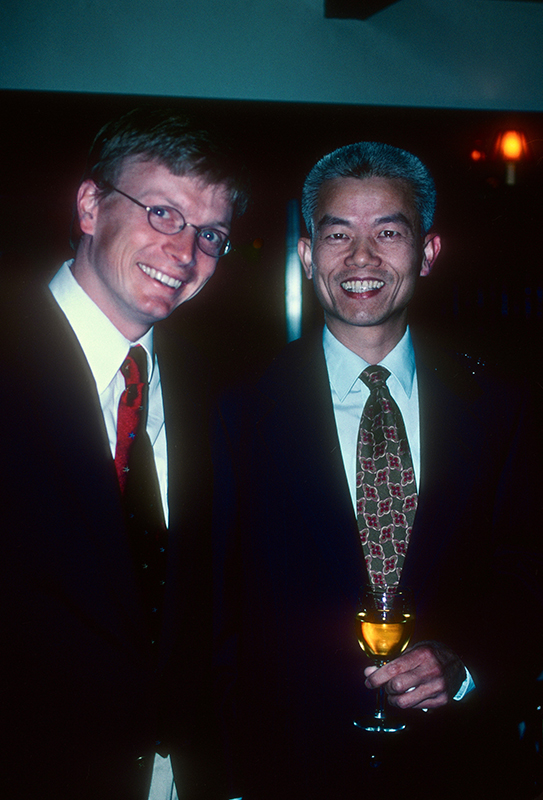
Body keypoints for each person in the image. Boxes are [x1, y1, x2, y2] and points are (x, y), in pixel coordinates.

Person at [214, 142, 543, 799]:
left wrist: (469, 660)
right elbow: (213, 607)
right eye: (338, 234)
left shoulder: (506, 406)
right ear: (308, 256)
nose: (361, 258)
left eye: (388, 233)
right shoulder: (232, 409)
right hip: (288, 769)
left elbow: (533, 570)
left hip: (460, 769)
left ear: (428, 253)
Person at [0, 107, 248, 800]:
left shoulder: (218, 388)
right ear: (89, 205)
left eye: (211, 235)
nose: (185, 252)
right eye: (164, 213)